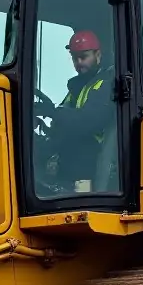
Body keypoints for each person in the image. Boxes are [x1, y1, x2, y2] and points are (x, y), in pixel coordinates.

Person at [47, 30, 116, 191]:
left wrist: (52, 112)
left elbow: (88, 121)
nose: (79, 62)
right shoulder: (78, 86)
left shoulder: (106, 84)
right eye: (74, 58)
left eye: (84, 57)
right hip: (72, 155)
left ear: (98, 55)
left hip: (91, 158)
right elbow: (62, 116)